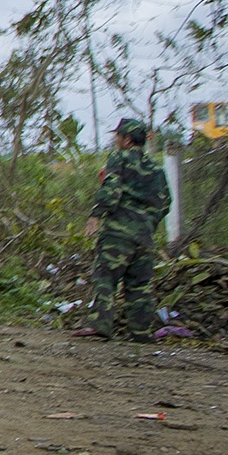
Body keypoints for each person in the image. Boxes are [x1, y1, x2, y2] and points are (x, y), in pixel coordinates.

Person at [73, 117, 171, 340]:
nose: (115, 140)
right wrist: (148, 223)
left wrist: (96, 215)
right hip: (144, 237)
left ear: (126, 139)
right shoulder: (156, 168)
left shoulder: (119, 158)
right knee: (140, 285)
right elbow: (165, 202)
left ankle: (100, 325)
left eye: (117, 136)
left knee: (106, 277)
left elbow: (112, 189)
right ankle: (141, 332)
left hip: (118, 234)